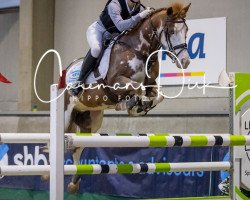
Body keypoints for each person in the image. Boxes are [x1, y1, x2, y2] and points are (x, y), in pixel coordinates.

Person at [71, 0, 153, 95]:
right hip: (99, 31)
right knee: (96, 49)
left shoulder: (139, 8)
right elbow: (120, 26)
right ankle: (79, 82)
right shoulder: (115, 4)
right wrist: (140, 16)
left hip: (115, 36)